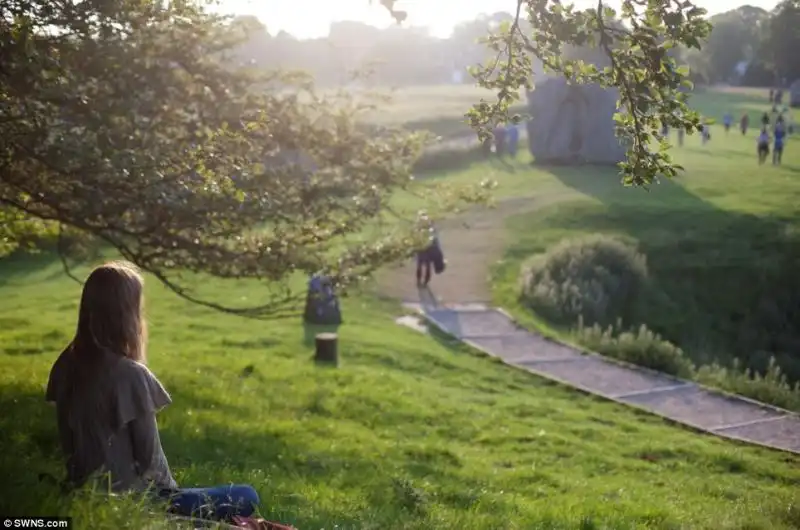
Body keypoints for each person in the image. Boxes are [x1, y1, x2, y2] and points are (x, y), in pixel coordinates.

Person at [46, 262, 260, 523]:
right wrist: (175, 500)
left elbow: (68, 445)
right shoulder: (130, 375)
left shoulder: (65, 364)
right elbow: (152, 463)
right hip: (138, 500)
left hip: (82, 494)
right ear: (125, 314)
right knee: (247, 495)